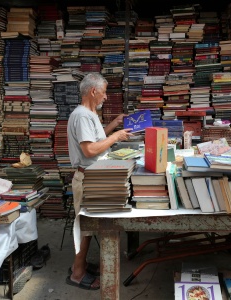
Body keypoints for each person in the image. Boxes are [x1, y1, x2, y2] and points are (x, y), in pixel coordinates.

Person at [66, 73, 133, 290]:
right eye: (104, 92)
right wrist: (116, 137)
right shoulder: (83, 115)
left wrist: (114, 124)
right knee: (85, 226)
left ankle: (82, 264)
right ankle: (77, 273)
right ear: (93, 91)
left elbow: (96, 139)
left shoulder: (90, 113)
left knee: (89, 225)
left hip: (93, 176)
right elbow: (89, 149)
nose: (105, 97)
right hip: (87, 178)